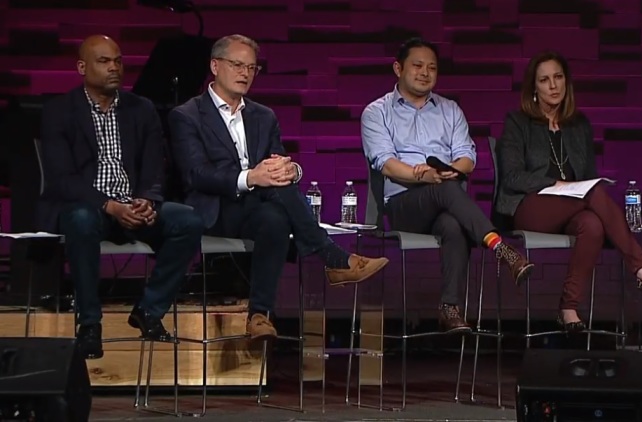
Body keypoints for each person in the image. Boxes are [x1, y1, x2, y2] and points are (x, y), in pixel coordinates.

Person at [169, 34, 389, 342]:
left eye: (252, 67)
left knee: (275, 218)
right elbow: (196, 175)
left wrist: (292, 170)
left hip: (259, 207)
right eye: (237, 65)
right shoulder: (186, 115)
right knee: (276, 200)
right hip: (214, 210)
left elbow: (278, 163)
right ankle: (332, 257)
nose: (245, 73)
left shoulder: (263, 116)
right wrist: (251, 177)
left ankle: (259, 316)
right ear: (215, 66)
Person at [35, 35, 205, 359]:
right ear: (82, 67)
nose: (114, 67)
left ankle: (149, 309)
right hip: (89, 206)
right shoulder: (59, 111)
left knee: (189, 221)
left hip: (132, 203)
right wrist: (109, 205)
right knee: (81, 219)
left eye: (118, 61)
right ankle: (89, 324)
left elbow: (155, 167)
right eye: (104, 61)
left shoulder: (141, 109)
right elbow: (62, 179)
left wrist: (147, 201)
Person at [494, 51, 642, 332]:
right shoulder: (517, 122)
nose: (553, 85)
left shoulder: (578, 125)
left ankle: (568, 308)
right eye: (544, 80)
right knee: (593, 194)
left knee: (593, 224)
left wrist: (576, 188)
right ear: (533, 87)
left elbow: (587, 176)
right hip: (529, 207)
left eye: (558, 77)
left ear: (566, 81)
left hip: (572, 207)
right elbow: (512, 177)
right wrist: (556, 185)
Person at [361, 37, 534, 333]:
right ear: (398, 68)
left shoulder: (450, 109)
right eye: (417, 66)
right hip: (403, 204)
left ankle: (449, 308)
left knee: (454, 225)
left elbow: (467, 157)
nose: (425, 73)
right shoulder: (376, 112)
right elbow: (385, 163)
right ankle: (501, 249)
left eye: (432, 68)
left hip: (444, 197)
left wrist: (448, 172)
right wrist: (422, 176)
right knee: (445, 190)